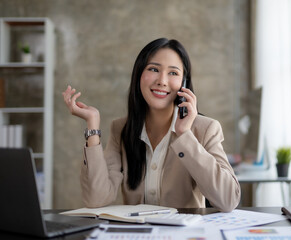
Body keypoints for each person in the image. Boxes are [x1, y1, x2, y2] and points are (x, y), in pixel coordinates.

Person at [62, 38, 240, 212]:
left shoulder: (206, 129)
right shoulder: (121, 129)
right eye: (154, 69)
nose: (162, 81)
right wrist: (92, 126)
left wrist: (185, 135)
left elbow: (228, 200)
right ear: (139, 75)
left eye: (173, 73)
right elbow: (96, 199)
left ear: (183, 84)